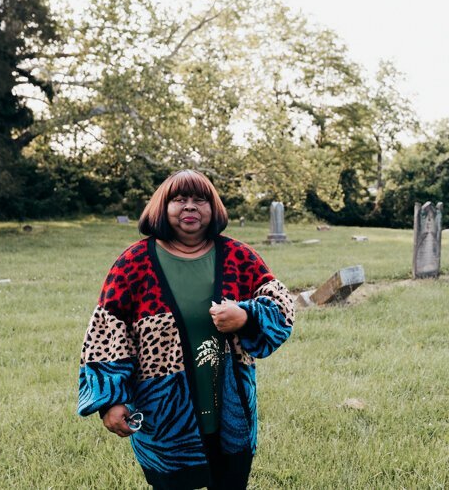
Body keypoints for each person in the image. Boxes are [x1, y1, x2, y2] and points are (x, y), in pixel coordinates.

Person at [77, 169, 294, 490]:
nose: (190, 207)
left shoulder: (239, 256)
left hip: (230, 409)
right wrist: (111, 400)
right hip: (165, 413)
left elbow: (283, 308)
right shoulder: (133, 264)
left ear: (213, 207)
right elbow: (105, 337)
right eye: (179, 200)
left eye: (200, 200)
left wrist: (246, 316)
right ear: (162, 208)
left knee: (229, 481)